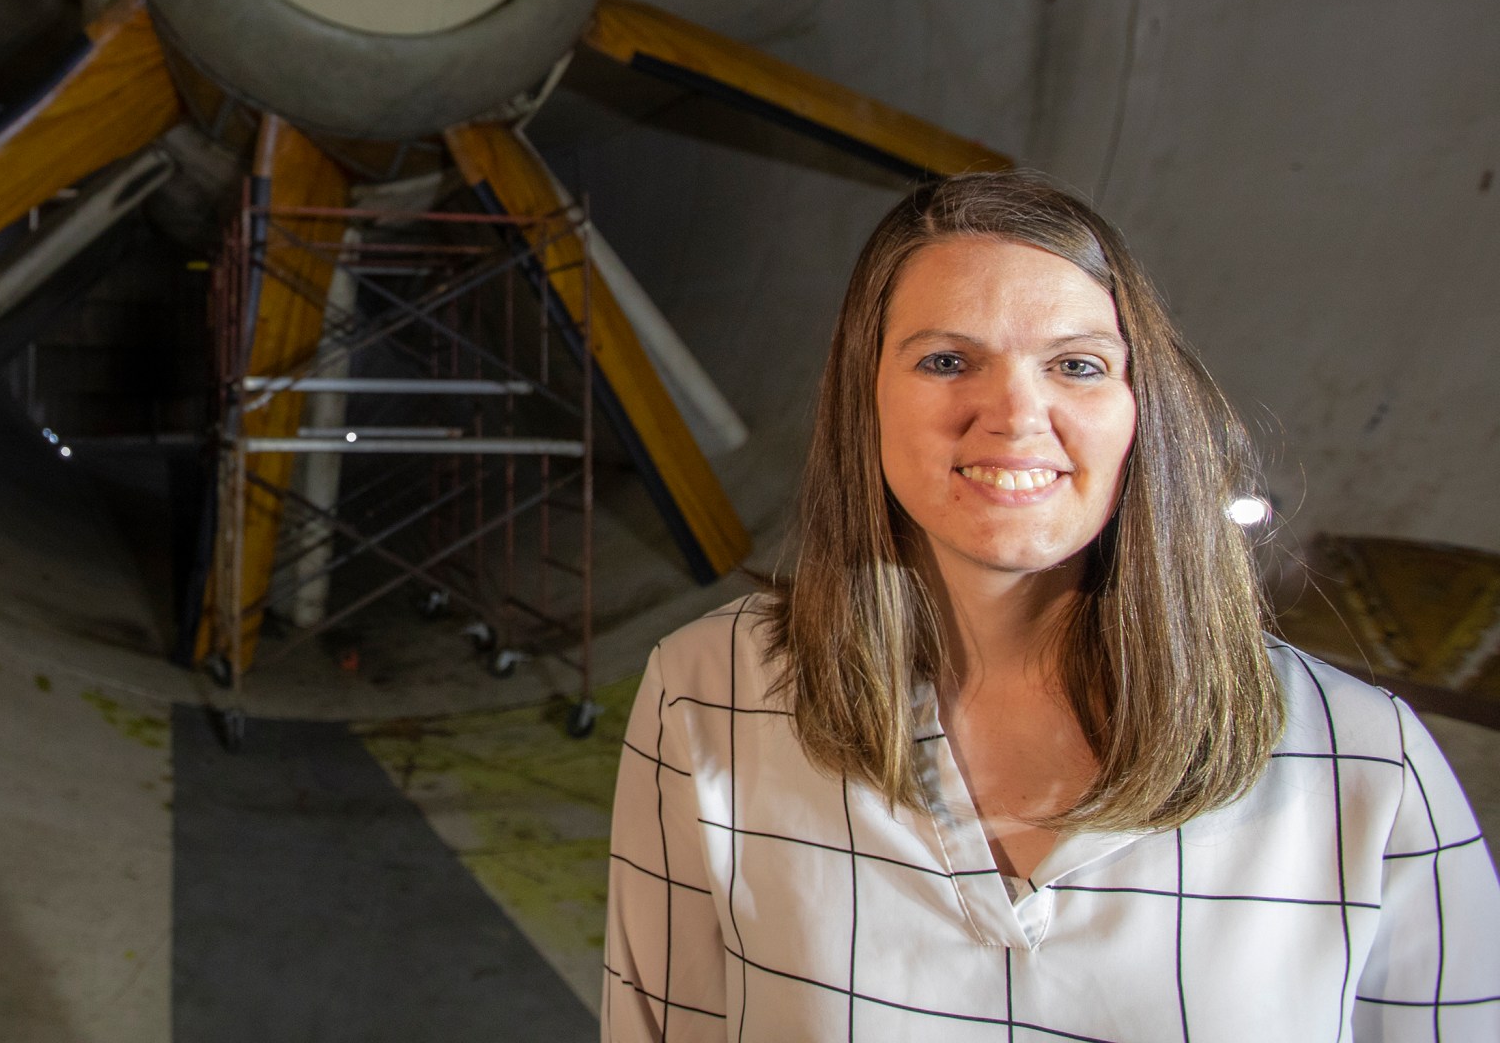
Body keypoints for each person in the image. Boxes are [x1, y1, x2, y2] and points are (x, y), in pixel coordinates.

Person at [603, 171, 1499, 1040]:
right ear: (861, 398)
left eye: (1076, 364)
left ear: (1139, 409)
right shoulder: (709, 693)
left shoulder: (1359, 760)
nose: (1016, 414)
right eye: (947, 360)